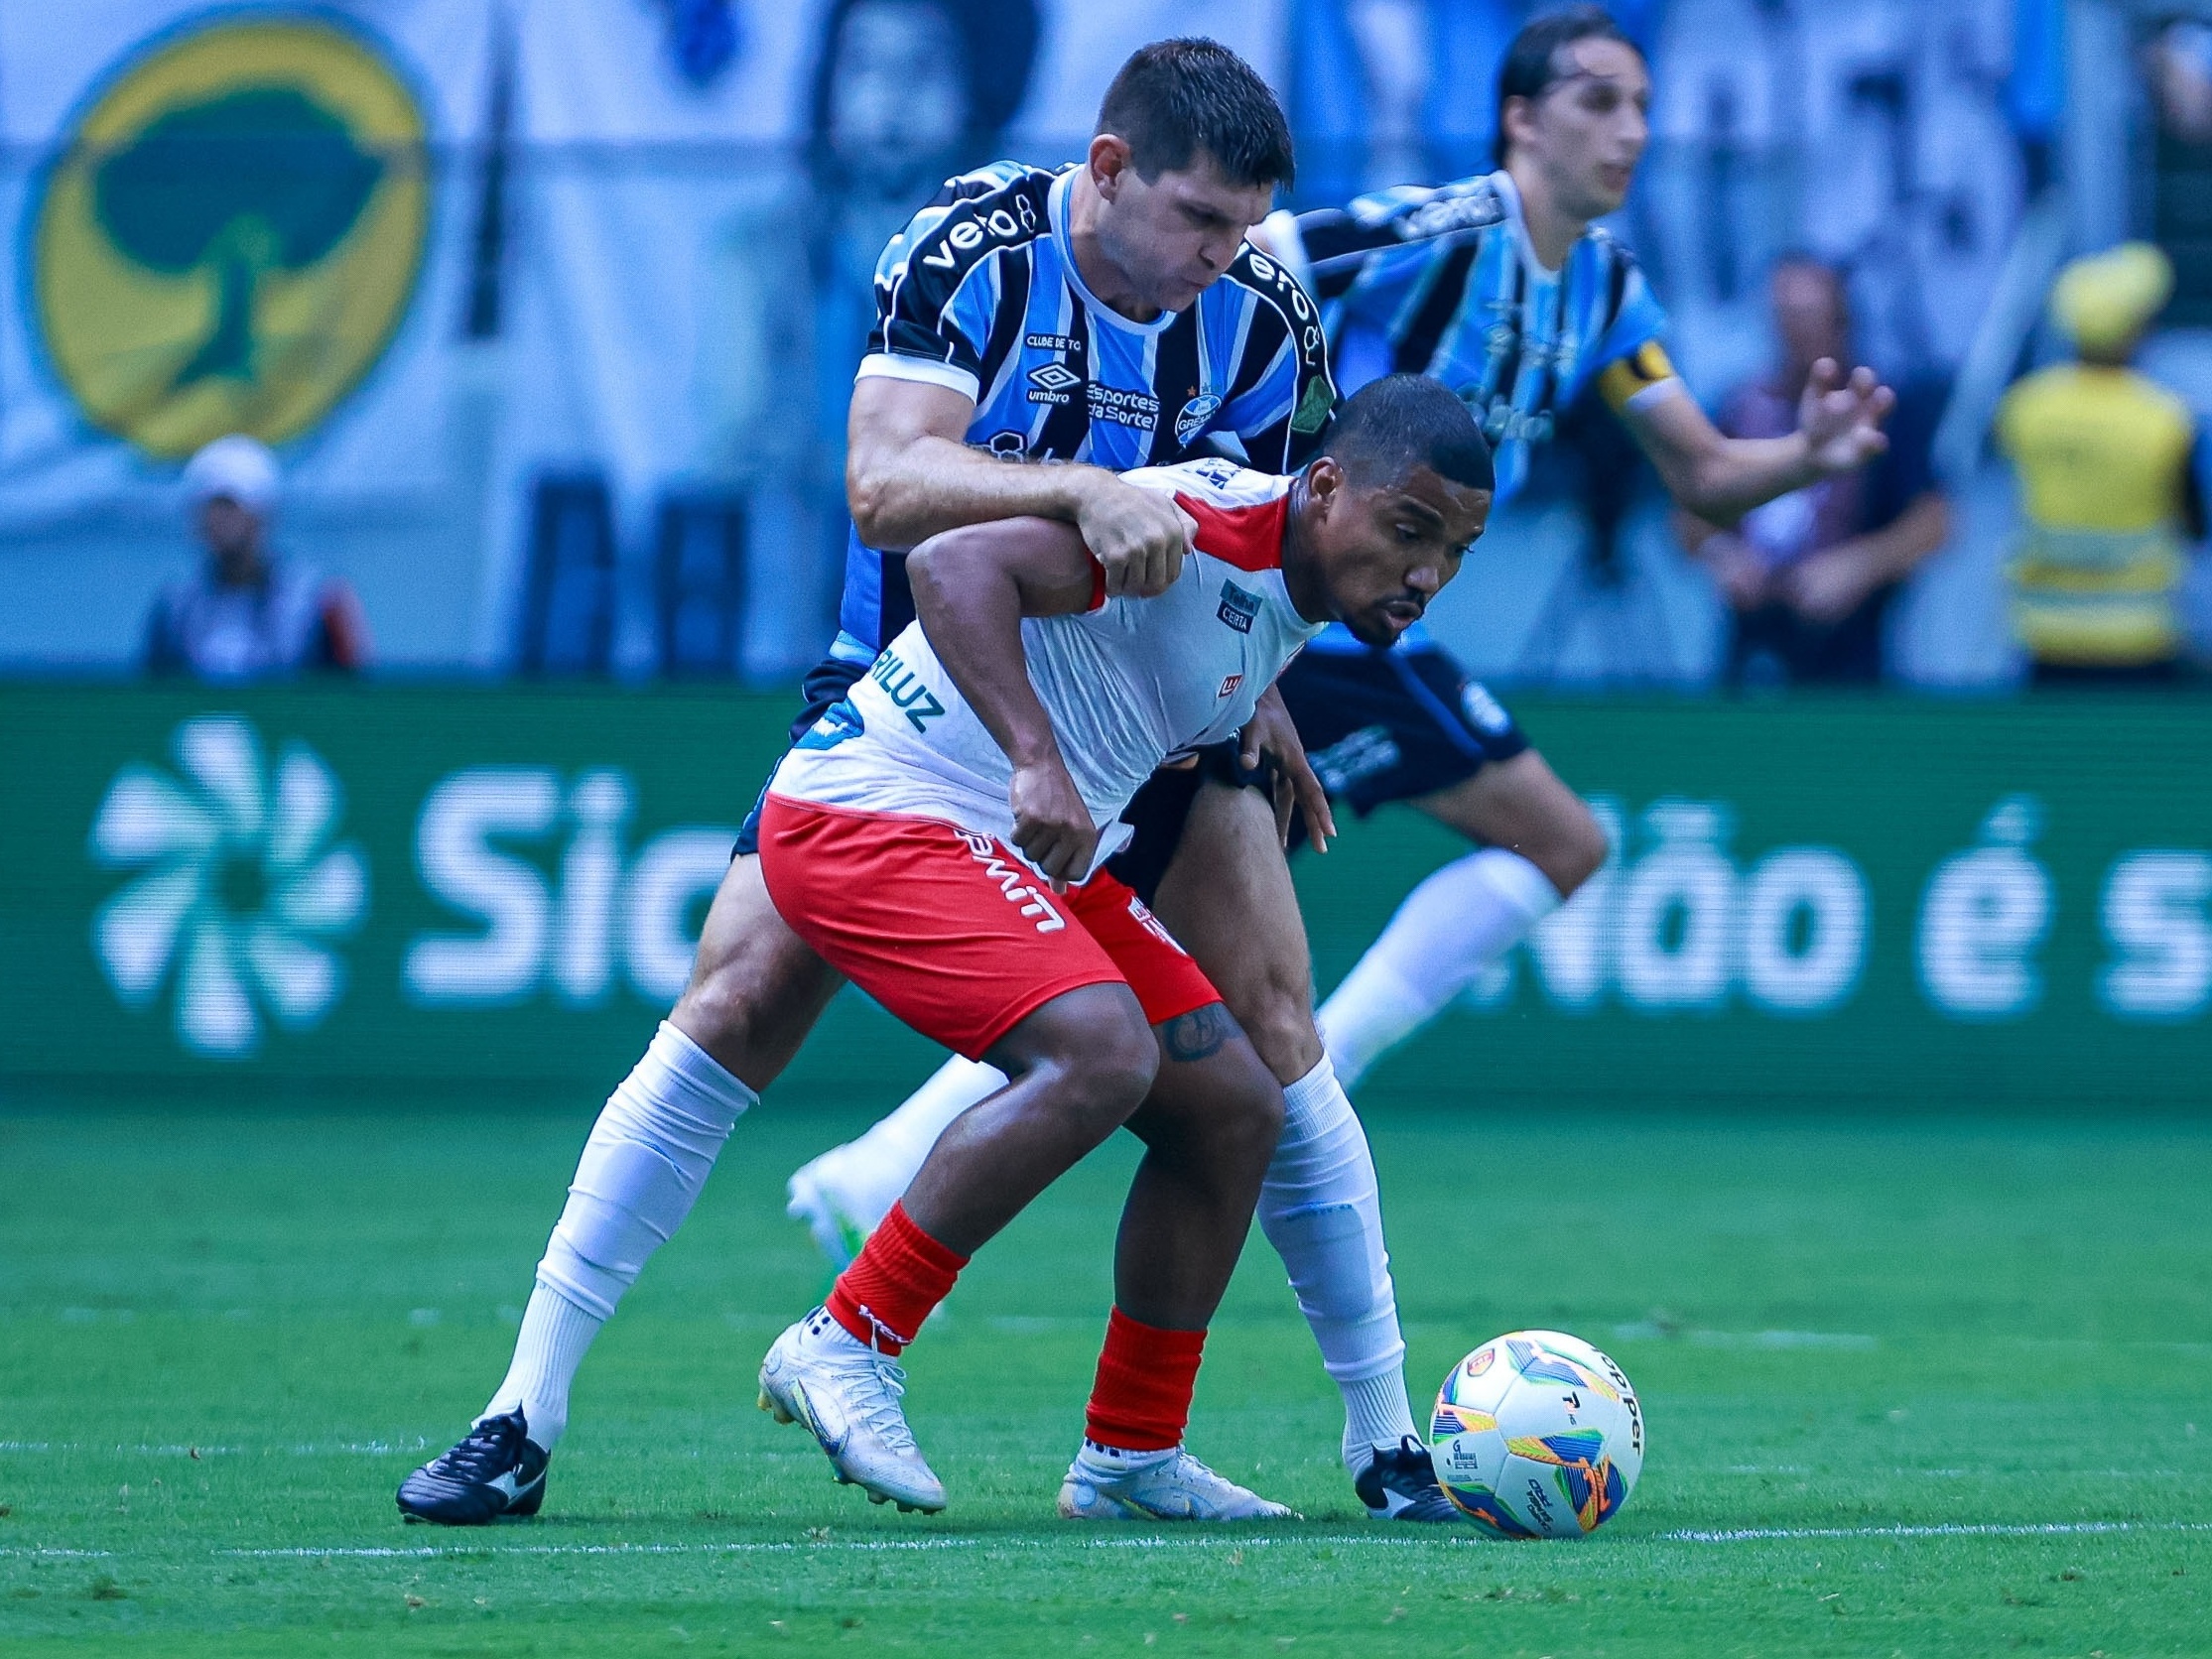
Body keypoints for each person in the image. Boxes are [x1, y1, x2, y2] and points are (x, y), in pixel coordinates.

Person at [788, 5, 1896, 1512]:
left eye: (1646, 104)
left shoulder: (1603, 298)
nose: (1630, 130)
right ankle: (861, 1312)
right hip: (911, 800)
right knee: (1196, 1040)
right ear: (1518, 120)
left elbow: (1698, 467)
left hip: (1257, 650)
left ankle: (1128, 1452)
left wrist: (1809, 465)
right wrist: (1065, 687)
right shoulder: (1271, 417)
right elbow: (974, 545)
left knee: (1242, 1086)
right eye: (1598, 98)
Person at [393, 37, 1342, 1526]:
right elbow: (886, 489)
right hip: (914, 703)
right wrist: (1074, 486)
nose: (1225, 259)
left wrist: (1264, 696)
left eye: (1243, 227)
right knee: (738, 1006)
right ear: (1106, 171)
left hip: (1142, 728)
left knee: (1257, 1051)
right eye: (1198, 222)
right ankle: (522, 1408)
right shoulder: (974, 246)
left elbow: (1240, 534)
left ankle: (1324, 1439)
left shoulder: (1257, 314)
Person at [755, 377, 1491, 1517]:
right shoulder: (1195, 529)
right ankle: (845, 1339)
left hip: (1017, 849)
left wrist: (1261, 712)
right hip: (876, 814)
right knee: (1103, 1054)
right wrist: (1035, 758)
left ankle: (1130, 1455)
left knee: (1237, 1105)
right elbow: (951, 567)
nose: (1427, 576)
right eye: (1411, 531)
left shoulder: (1293, 584)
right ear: (1328, 485)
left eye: (1454, 551)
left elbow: (1198, 636)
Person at [1676, 254, 1951, 687]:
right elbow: (1690, 512)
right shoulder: (1740, 407)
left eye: (1810, 314)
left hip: (1851, 650)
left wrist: (1858, 565)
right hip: (1752, 645)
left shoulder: (1881, 406)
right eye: (1784, 314)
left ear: (1842, 318)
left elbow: (1934, 522)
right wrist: (1723, 556)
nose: (1797, 328)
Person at [1997, 242, 2206, 685]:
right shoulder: (2165, 419)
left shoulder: (2025, 406)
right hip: (2139, 636)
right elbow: (2194, 525)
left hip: (2044, 631)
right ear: (2135, 329)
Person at [144, 435, 369, 681]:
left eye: (227, 506)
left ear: (262, 514)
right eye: (206, 508)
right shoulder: (176, 609)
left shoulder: (318, 602)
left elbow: (352, 698)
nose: (214, 519)